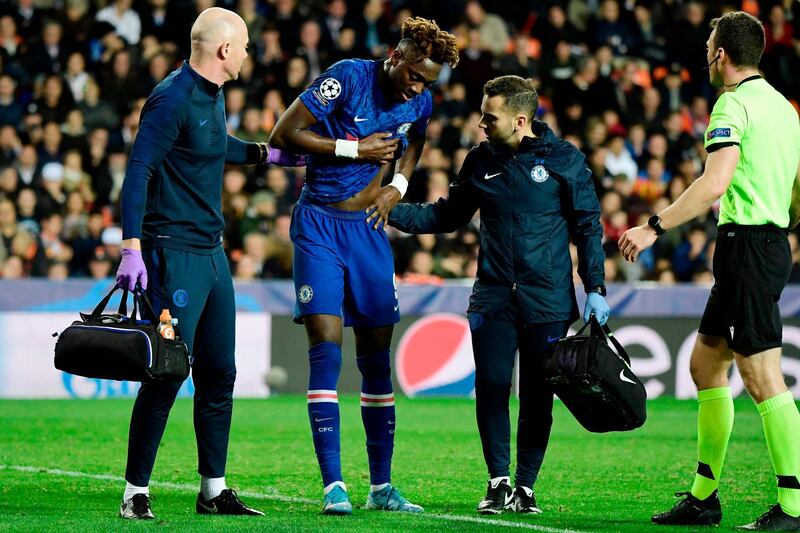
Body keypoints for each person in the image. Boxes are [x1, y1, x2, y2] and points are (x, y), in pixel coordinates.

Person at [388, 75, 609, 515]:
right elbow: (448, 215)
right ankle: (498, 480)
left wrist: (596, 287)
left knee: (537, 394)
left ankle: (525, 485)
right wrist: (389, 211)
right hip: (493, 298)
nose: (481, 123)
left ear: (520, 119)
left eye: (490, 116)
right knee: (491, 386)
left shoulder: (565, 160)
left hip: (547, 300)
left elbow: (588, 227)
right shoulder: (480, 160)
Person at [114, 7, 303, 520]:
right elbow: (138, 172)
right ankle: (135, 492)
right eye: (243, 45)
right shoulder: (172, 97)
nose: (247, 53)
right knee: (168, 372)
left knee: (220, 372)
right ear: (224, 51)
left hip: (212, 254)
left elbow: (213, 146)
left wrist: (269, 155)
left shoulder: (211, 95)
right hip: (173, 252)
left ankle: (213, 490)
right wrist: (132, 247)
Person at [268, 16, 459, 515]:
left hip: (371, 232)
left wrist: (399, 187)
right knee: (326, 353)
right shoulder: (346, 78)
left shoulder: (419, 99)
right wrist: (354, 147)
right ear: (396, 57)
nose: (418, 87)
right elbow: (284, 132)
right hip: (319, 227)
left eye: (428, 83)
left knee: (376, 361)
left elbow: (416, 140)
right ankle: (333, 485)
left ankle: (381, 487)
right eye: (415, 75)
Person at [619, 11, 800, 531]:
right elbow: (795, 184)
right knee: (704, 365)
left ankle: (792, 505)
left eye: (709, 42)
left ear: (721, 54)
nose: (705, 49)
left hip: (749, 246)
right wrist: (778, 221)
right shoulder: (783, 108)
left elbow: (715, 181)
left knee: (762, 375)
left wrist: (655, 225)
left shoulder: (733, 104)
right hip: (761, 242)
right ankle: (704, 498)